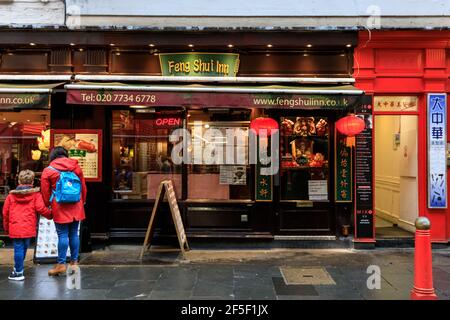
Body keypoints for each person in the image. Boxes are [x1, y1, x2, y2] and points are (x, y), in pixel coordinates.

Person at [41, 146, 87, 276]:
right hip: (76, 204)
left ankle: (61, 264)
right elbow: (83, 186)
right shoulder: (76, 167)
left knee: (62, 235)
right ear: (65, 155)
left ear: (52, 156)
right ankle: (74, 263)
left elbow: (45, 192)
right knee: (73, 233)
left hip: (59, 205)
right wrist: (82, 201)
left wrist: (48, 204)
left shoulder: (48, 170)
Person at [2, 169, 52, 281]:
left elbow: (5, 213)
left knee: (18, 249)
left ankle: (18, 272)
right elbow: (41, 209)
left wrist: (6, 227)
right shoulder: (35, 194)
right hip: (29, 227)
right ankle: (18, 268)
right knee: (24, 248)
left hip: (15, 227)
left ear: (19, 180)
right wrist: (51, 215)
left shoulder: (11, 196)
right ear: (32, 181)